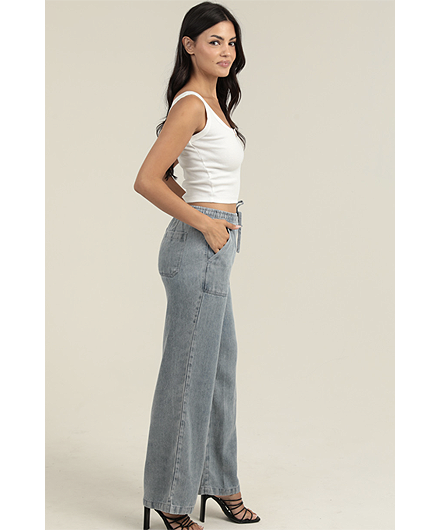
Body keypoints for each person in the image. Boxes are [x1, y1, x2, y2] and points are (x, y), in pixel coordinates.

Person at [133, 2, 260, 530]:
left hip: (216, 244)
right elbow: (147, 179)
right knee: (188, 373)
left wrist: (213, 221)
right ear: (189, 45)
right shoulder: (190, 104)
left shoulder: (214, 104)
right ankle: (169, 496)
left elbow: (175, 176)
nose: (226, 51)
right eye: (214, 41)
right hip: (199, 247)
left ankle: (217, 480)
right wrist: (205, 222)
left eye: (231, 42)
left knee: (219, 369)